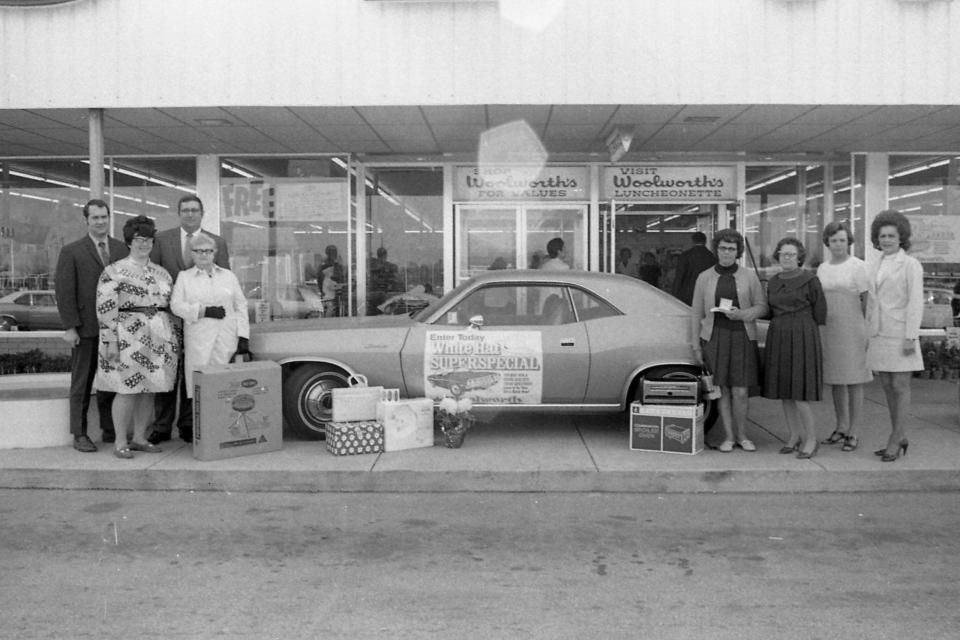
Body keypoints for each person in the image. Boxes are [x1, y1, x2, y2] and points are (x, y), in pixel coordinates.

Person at [147, 195, 229, 444]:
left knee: (194, 372)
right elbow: (154, 278)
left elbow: (223, 280)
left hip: (204, 322)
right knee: (167, 372)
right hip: (168, 319)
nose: (190, 214)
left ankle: (188, 423)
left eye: (194, 210)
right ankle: (161, 426)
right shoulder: (162, 240)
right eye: (185, 210)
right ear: (178, 213)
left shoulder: (217, 242)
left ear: (202, 213)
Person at [95, 216, 179, 459]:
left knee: (149, 389)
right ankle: (121, 441)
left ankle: (140, 437)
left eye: (148, 239)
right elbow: (105, 307)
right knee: (126, 389)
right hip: (126, 337)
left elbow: (170, 306)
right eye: (138, 239)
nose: (144, 244)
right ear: (129, 242)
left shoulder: (162, 273)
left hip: (158, 336)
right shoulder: (113, 271)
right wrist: (110, 341)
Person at [54, 199, 128, 452]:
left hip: (115, 330)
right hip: (85, 328)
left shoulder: (120, 249)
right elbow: (64, 292)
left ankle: (110, 430)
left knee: (112, 381)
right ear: (86, 220)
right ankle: (79, 433)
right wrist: (70, 327)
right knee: (82, 382)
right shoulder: (72, 251)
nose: (100, 222)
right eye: (95, 218)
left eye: (104, 217)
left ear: (110, 218)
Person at [691, 228, 768, 453]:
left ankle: (743, 435)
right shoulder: (704, 277)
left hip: (742, 336)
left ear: (738, 252)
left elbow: (762, 307)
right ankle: (729, 436)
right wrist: (696, 345)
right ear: (716, 250)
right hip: (714, 337)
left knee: (741, 391)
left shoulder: (749, 276)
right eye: (723, 248)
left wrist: (742, 314)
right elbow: (696, 313)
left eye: (731, 249)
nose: (726, 252)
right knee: (722, 390)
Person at [866, 210, 924, 462]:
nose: (887, 239)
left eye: (891, 235)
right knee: (887, 386)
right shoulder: (876, 262)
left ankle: (895, 438)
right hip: (880, 333)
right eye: (882, 236)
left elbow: (915, 303)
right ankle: (898, 435)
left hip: (902, 333)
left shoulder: (911, 264)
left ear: (901, 237)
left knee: (900, 386)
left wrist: (911, 336)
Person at [762, 237, 827, 460]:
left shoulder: (810, 280)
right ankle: (794, 435)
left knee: (800, 393)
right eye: (782, 254)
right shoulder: (772, 281)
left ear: (799, 257)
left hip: (802, 335)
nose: (786, 258)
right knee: (785, 393)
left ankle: (811, 439)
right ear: (777, 256)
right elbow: (768, 310)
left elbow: (820, 313)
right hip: (779, 334)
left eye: (791, 254)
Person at [171, 233, 250, 410]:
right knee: (201, 386)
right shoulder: (184, 277)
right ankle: (201, 429)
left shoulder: (228, 276)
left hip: (226, 339)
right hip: (199, 340)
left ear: (214, 253)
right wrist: (203, 311)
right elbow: (176, 306)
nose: (203, 255)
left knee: (225, 386)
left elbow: (241, 305)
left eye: (207, 251)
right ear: (192, 253)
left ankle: (222, 428)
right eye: (198, 251)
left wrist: (243, 336)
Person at [817, 222, 873, 452]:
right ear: (827, 243)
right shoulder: (822, 268)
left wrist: (868, 330)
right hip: (830, 329)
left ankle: (854, 431)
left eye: (841, 240)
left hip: (853, 329)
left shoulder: (858, 267)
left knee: (855, 380)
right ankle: (841, 426)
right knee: (836, 380)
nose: (838, 244)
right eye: (833, 240)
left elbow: (867, 301)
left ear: (848, 241)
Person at [673, 231, 717, 305]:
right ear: (705, 241)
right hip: (707, 294)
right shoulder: (712, 257)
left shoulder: (686, 256)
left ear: (693, 241)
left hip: (687, 294)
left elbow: (679, 276)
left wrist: (675, 293)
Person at [368, 247, 399, 314]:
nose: (383, 257)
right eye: (381, 255)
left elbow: (395, 280)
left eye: (383, 255)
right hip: (376, 295)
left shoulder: (390, 266)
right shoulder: (373, 265)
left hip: (386, 294)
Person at [318, 244, 345, 317]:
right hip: (330, 294)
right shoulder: (326, 266)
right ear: (328, 253)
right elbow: (320, 279)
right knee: (331, 310)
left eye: (334, 252)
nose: (334, 254)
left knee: (334, 311)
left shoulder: (336, 265)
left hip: (335, 294)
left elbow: (341, 277)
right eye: (332, 252)